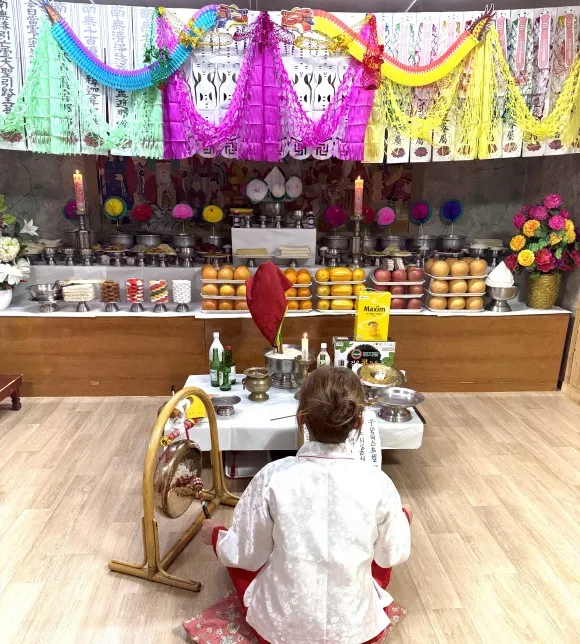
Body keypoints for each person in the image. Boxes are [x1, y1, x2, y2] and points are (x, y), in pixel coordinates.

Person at [201, 366, 412, 644]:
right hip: (355, 634)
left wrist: (217, 535)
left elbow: (246, 556)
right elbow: (392, 555)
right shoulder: (378, 483)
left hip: (280, 633)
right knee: (391, 530)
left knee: (241, 553)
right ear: (359, 423)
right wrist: (402, 518)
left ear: (301, 419)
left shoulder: (271, 476)